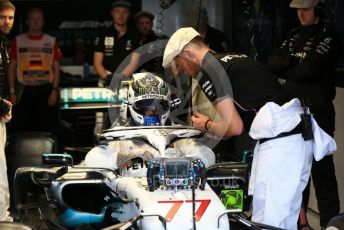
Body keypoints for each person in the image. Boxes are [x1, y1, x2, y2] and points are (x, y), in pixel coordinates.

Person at [162, 27, 336, 229]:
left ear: (189, 53)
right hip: (292, 138)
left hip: (283, 144)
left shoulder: (208, 70)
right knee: (280, 219)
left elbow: (234, 127)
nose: (182, 70)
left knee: (270, 222)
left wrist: (206, 124)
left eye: (180, 63)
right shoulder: (232, 58)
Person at [267, 0, 340, 228]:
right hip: (294, 113)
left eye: (306, 9)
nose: (301, 14)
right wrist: (294, 62)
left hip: (318, 113)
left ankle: (331, 224)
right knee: (297, 173)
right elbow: (272, 63)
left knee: (323, 174)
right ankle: (300, 224)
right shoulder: (293, 34)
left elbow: (309, 70)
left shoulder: (328, 37)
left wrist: (289, 66)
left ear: (317, 10)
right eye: (298, 9)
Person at [84, 72, 215, 172]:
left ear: (168, 105)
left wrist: (182, 162)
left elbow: (208, 155)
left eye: (158, 106)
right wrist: (123, 158)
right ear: (130, 105)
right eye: (145, 106)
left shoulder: (177, 133)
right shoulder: (120, 134)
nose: (152, 111)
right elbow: (91, 158)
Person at [8, 8, 62, 132]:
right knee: (22, 127)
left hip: (46, 90)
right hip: (23, 91)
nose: (36, 22)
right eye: (33, 19)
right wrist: (12, 91)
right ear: (27, 22)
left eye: (39, 19)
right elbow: (11, 67)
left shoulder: (51, 41)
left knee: (45, 127)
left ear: (43, 22)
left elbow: (56, 68)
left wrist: (54, 90)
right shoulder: (18, 41)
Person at [93, 0, 140, 87]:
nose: (121, 15)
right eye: (117, 11)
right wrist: (107, 78)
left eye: (124, 12)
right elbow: (97, 63)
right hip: (105, 80)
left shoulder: (135, 35)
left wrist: (120, 78)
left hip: (127, 81)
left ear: (129, 14)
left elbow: (134, 62)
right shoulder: (103, 34)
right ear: (112, 13)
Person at [0, 0, 15, 221]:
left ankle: (2, 215)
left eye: (11, 17)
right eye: (2, 17)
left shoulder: (4, 43)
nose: (6, 22)